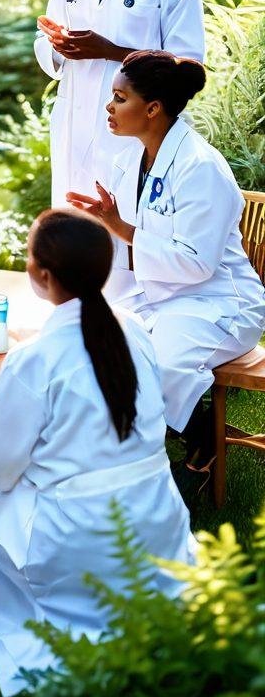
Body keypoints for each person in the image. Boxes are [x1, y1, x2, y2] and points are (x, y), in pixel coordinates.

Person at [0, 209, 194, 697]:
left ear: (42, 276)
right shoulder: (134, 330)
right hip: (155, 523)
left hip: (76, 539)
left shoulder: (34, 359)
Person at [66, 50, 265, 457]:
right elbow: (140, 242)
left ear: (153, 108)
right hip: (164, 295)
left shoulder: (199, 166)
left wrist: (124, 229)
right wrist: (113, 224)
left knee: (154, 367)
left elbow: (196, 262)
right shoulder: (132, 157)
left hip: (220, 304)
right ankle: (196, 433)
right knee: (85, 344)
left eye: (120, 98)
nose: (109, 105)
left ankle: (138, 463)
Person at [34, 0, 204, 207]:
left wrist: (111, 51)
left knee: (122, 230)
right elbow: (44, 43)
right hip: (74, 116)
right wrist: (59, 46)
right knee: (72, 231)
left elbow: (188, 66)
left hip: (133, 132)